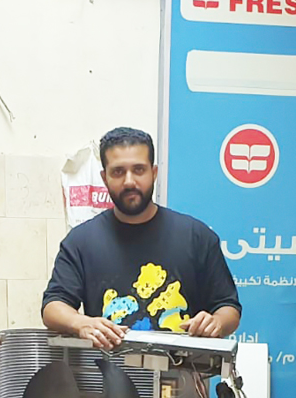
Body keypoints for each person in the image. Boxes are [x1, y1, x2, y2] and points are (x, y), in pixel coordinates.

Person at [42, 126, 241, 346]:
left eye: (139, 170)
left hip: (183, 366)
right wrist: (80, 322)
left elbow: (228, 308)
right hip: (106, 367)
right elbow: (53, 306)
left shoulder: (197, 237)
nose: (129, 181)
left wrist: (216, 322)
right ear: (105, 178)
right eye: (118, 172)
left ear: (153, 173)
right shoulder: (81, 241)